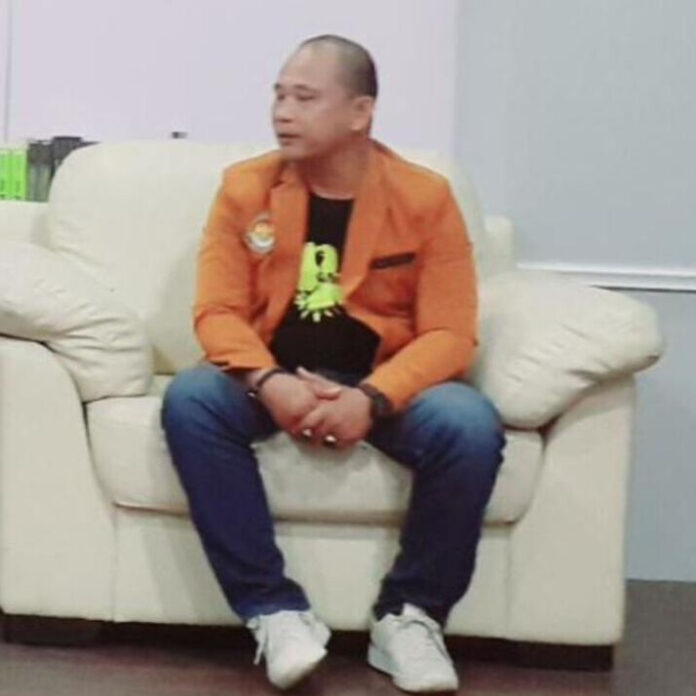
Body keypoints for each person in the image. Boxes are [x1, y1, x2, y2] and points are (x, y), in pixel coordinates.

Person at [161, 34, 505, 693]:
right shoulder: (245, 188)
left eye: (305, 98)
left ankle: (409, 618)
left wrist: (371, 398)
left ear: (360, 112)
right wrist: (269, 381)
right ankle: (273, 610)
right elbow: (217, 311)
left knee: (468, 425)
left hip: (385, 381)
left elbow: (449, 333)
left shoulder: (424, 197)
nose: (283, 112)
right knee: (191, 400)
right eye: (279, 96)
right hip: (272, 373)